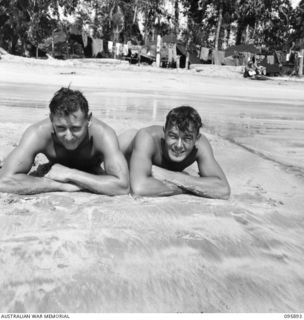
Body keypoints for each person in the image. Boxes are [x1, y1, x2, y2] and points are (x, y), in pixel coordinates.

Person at [0, 87, 129, 195]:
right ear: (51, 119)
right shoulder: (38, 133)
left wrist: (70, 174)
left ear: (88, 120)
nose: (68, 136)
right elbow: (4, 181)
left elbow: (122, 186)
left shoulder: (103, 135)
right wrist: (57, 185)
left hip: (90, 166)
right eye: (60, 128)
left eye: (75, 128)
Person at [119, 106, 230, 199]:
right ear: (165, 133)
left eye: (187, 138)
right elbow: (139, 188)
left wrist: (172, 176)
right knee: (132, 135)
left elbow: (223, 190)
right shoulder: (147, 138)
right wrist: (191, 188)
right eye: (173, 136)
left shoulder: (201, 146)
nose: (178, 145)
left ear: (196, 139)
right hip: (123, 153)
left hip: (161, 169)